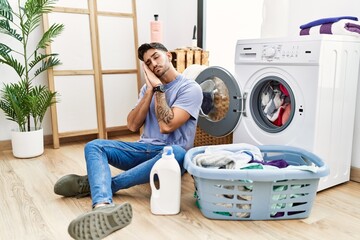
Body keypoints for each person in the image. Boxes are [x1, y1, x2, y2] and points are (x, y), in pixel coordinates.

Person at [54, 42, 203, 240]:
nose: (153, 64)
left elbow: (166, 126)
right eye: (148, 63)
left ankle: (104, 184)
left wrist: (159, 89)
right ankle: (102, 206)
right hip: (142, 152)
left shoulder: (190, 88)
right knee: (94, 146)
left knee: (178, 153)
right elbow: (132, 125)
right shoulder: (147, 89)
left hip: (168, 158)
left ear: (168, 55)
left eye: (156, 57)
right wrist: (150, 91)